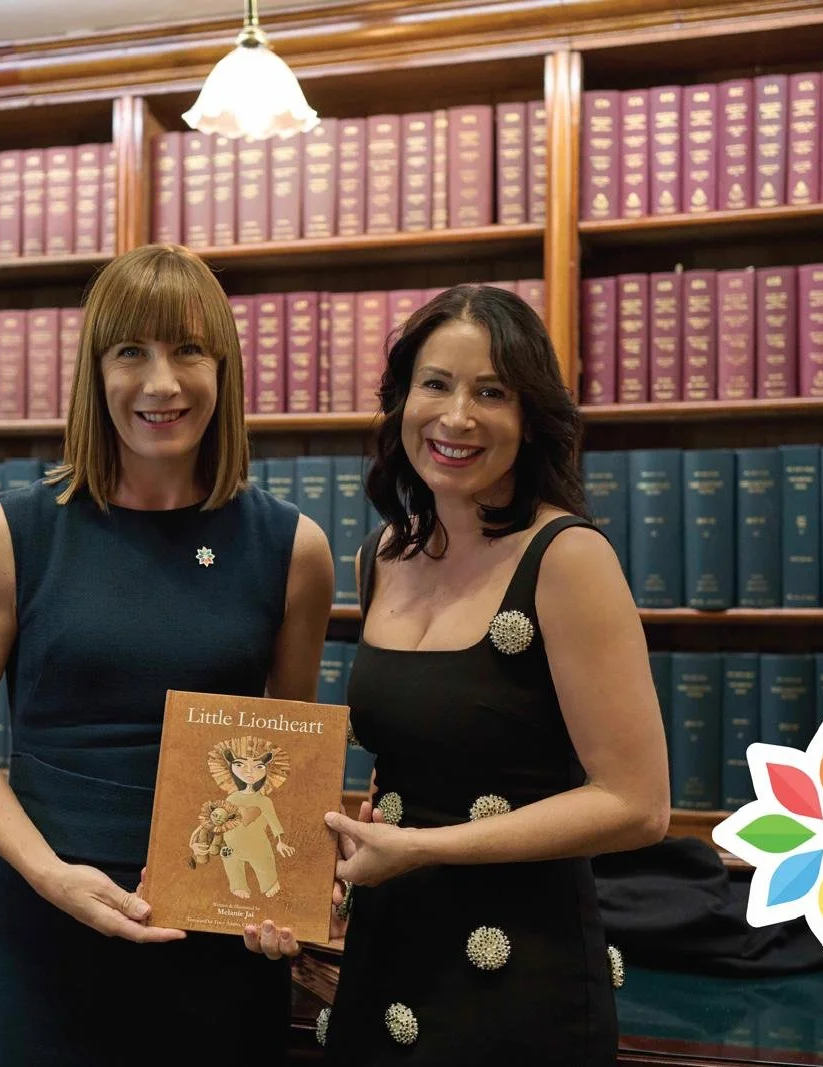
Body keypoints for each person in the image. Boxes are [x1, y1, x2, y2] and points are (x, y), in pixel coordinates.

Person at [0, 244, 336, 1067]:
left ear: (224, 368)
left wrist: (289, 894)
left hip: (218, 944)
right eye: (131, 352)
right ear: (95, 371)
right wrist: (46, 871)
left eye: (187, 351)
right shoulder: (14, 533)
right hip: (48, 929)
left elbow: (285, 754)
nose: (161, 383)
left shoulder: (295, 549)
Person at [317, 283, 669, 1063]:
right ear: (401, 398)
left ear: (530, 417)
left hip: (518, 969)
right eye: (435, 383)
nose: (456, 417)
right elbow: (409, 758)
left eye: (491, 392)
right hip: (389, 946)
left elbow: (638, 805)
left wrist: (427, 848)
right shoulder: (382, 555)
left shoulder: (568, 559)